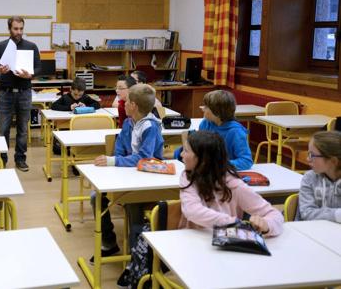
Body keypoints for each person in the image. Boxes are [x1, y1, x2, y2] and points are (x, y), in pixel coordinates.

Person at [117, 131, 283, 288]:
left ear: (202, 160)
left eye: (186, 151)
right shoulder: (187, 177)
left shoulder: (234, 185)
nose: (181, 155)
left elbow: (273, 214)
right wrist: (232, 223)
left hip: (225, 249)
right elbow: (192, 210)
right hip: (190, 247)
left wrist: (266, 225)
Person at [90, 84, 164, 262]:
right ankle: (109, 243)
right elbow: (119, 151)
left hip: (149, 179)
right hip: (128, 175)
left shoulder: (151, 127)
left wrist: (114, 161)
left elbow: (145, 158)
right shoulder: (129, 123)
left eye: (128, 101)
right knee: (95, 197)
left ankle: (136, 258)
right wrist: (116, 162)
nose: (124, 103)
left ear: (135, 106)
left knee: (133, 204)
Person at [0, 16, 41, 171]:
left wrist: (30, 75)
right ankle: (1, 160)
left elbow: (39, 68)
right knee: (2, 129)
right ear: (9, 29)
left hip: (25, 92)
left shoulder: (31, 46)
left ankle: (20, 159)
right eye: (15, 29)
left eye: (21, 29)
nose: (18, 32)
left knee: (23, 128)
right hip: (6, 93)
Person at [174, 90, 253, 171]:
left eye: (206, 107)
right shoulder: (206, 123)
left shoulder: (236, 132)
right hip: (206, 173)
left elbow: (246, 161)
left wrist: (216, 165)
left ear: (217, 112)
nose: (203, 109)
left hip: (224, 175)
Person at [298, 131, 341, 222]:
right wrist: (336, 215)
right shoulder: (309, 179)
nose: (308, 159)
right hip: (311, 232)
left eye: (312, 155)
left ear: (333, 160)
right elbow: (307, 213)